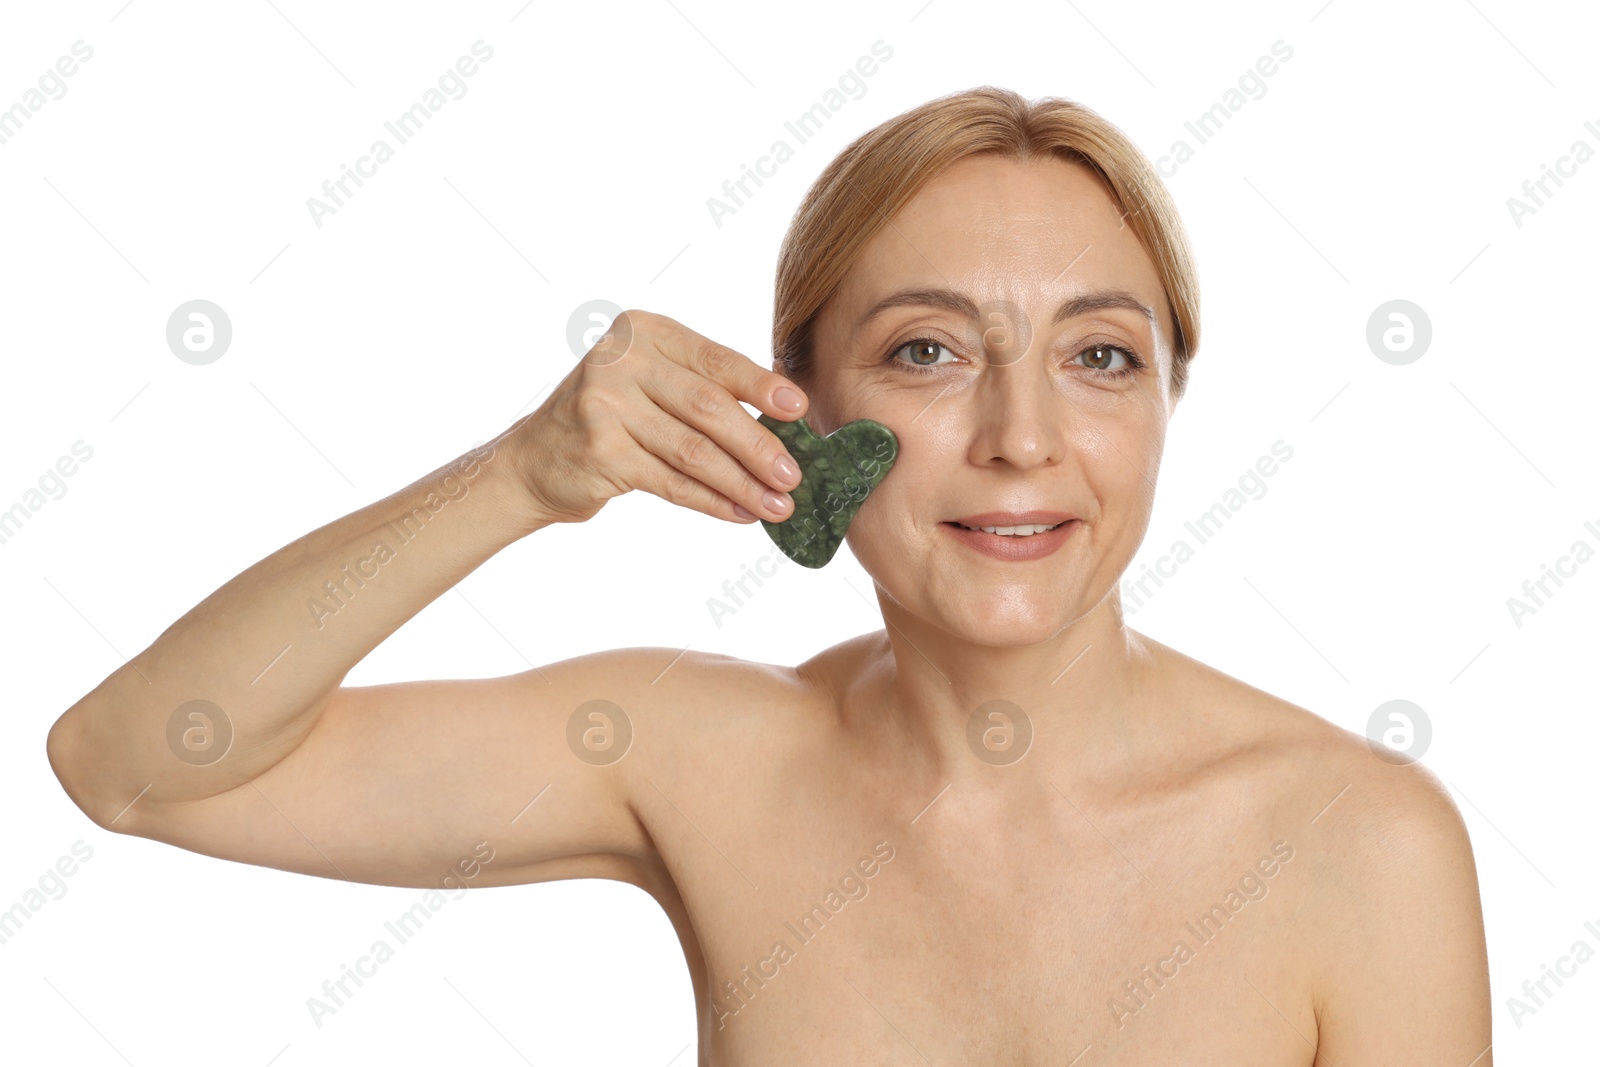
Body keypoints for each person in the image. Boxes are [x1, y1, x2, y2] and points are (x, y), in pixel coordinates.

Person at [46, 86, 1491, 1063]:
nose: (1021, 439)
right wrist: (525, 475)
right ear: (794, 402)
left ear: (1171, 395)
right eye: (927, 352)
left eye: (1099, 356)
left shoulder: (1358, 845)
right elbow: (140, 764)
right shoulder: (694, 759)